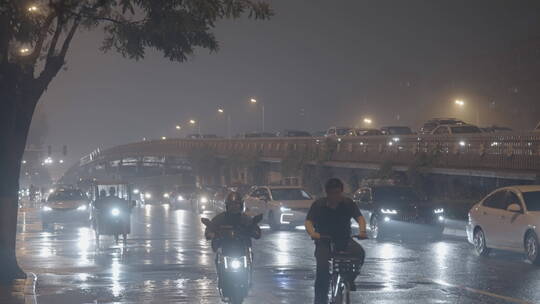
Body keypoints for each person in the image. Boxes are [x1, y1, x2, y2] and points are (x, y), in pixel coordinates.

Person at [305, 178, 368, 304]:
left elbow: (360, 218)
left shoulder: (348, 204)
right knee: (322, 269)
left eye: (338, 192)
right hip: (324, 241)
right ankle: (320, 301)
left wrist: (362, 231)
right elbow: (309, 221)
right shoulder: (319, 205)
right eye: (332, 193)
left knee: (360, 253)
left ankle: (350, 279)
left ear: (341, 192)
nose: (335, 196)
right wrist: (313, 233)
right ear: (327, 193)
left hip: (344, 239)